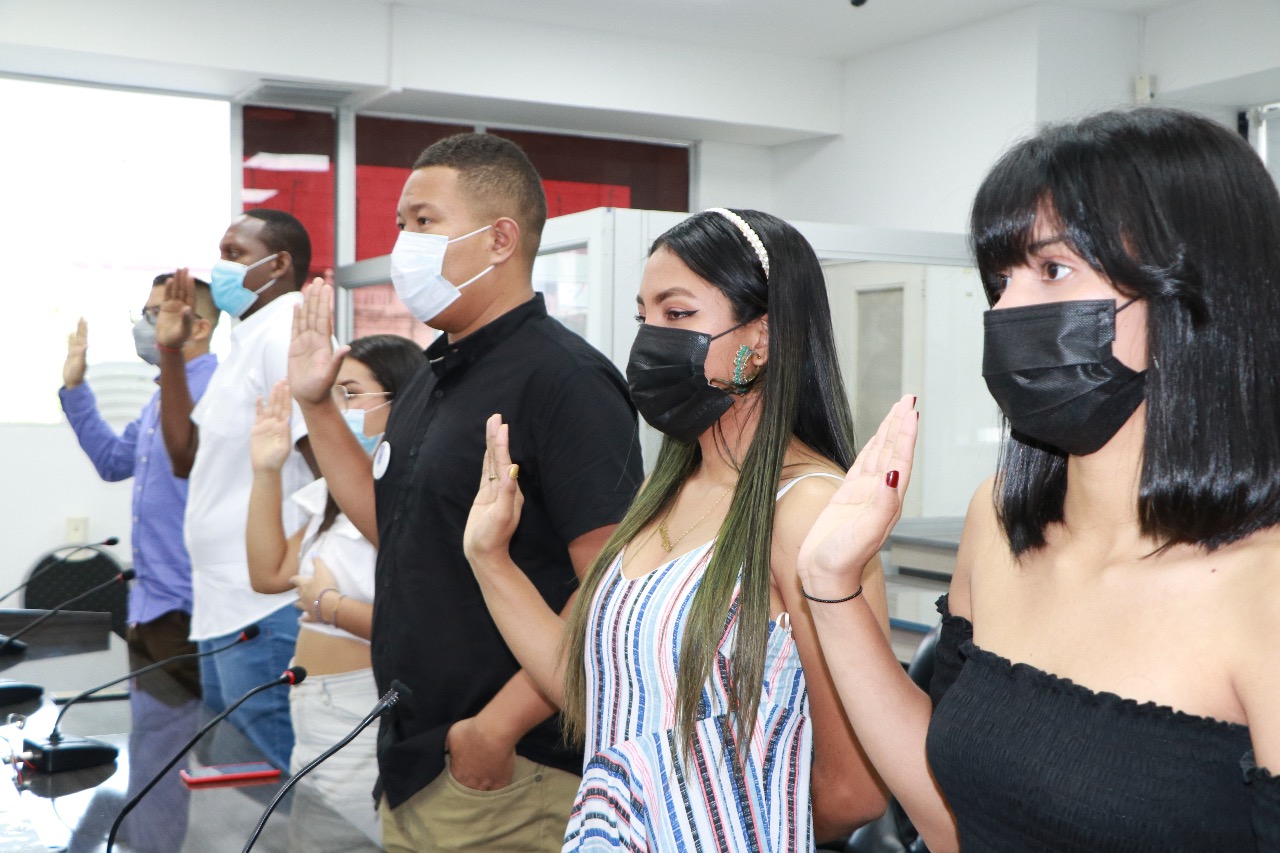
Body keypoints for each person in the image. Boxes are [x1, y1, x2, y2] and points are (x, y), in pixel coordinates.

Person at [798, 107, 1280, 852]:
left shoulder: (1263, 589)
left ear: (1192, 297)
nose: (1006, 309)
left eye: (1053, 270)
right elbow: (952, 822)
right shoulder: (996, 521)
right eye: (1000, 278)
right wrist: (830, 585)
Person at [464, 207, 891, 850]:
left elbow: (854, 789)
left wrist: (734, 824)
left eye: (679, 313)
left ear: (763, 337)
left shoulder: (807, 510)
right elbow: (603, 696)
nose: (651, 339)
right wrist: (489, 557)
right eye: (645, 317)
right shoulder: (661, 495)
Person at [287, 132, 644, 852]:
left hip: (506, 769)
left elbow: (611, 586)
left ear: (499, 239)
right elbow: (397, 526)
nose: (404, 244)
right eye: (401, 224)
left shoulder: (565, 379)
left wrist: (495, 729)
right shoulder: (434, 373)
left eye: (425, 222)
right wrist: (316, 404)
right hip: (417, 756)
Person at [247, 334, 424, 850]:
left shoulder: (412, 496)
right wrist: (266, 470)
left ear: (401, 399)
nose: (339, 409)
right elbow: (268, 573)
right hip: (311, 706)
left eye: (351, 393)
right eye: (334, 395)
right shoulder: (337, 492)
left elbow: (423, 626)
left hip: (361, 703)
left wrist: (331, 607)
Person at [157, 208, 317, 770]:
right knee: (237, 782)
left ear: (279, 264)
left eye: (234, 254)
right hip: (223, 604)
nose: (220, 267)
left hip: (264, 607)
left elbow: (328, 466)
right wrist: (171, 352)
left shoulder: (286, 332)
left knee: (272, 781)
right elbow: (185, 456)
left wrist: (293, 565)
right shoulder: (248, 339)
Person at [58, 273, 219, 695]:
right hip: (149, 605)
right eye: (144, 313)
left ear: (199, 328)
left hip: (191, 607)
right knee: (153, 730)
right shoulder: (160, 397)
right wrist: (75, 387)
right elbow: (113, 462)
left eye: (157, 313)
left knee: (193, 731)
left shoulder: (217, 390)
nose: (145, 325)